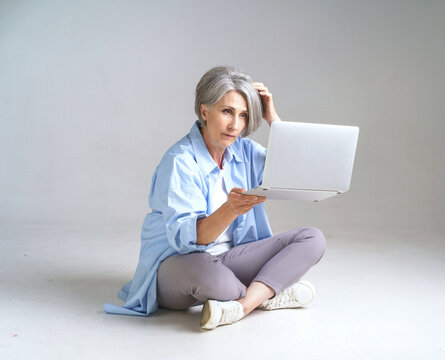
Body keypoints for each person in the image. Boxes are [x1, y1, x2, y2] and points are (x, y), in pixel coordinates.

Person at [103, 66, 327, 330]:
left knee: (312, 239)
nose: (235, 125)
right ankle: (269, 291)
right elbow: (190, 241)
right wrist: (230, 209)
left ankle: (244, 305)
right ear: (204, 111)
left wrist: (272, 118)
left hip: (231, 258)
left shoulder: (243, 150)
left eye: (243, 115)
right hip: (179, 264)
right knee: (212, 277)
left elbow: (298, 172)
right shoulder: (180, 161)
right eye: (227, 111)